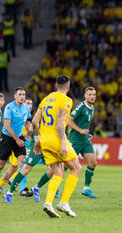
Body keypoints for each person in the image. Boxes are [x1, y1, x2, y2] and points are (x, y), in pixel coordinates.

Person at [32, 75, 81, 218]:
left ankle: (48, 203)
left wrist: (36, 140)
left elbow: (34, 121)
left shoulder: (46, 99)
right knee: (76, 168)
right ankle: (64, 203)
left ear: (55, 86)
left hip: (44, 141)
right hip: (56, 140)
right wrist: (63, 143)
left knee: (58, 173)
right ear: (68, 87)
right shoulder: (66, 100)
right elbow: (60, 122)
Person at [0, 88, 32, 193]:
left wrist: (30, 131)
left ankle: (14, 188)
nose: (22, 96)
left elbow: (28, 122)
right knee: (1, 165)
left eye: (24, 94)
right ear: (15, 96)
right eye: (20, 94)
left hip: (19, 138)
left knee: (23, 165)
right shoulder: (9, 107)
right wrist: (17, 139)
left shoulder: (26, 108)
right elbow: (7, 126)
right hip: (7, 138)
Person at [68, 86, 97, 198]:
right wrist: (80, 130)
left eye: (94, 95)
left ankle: (86, 188)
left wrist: (86, 132)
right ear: (85, 95)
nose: (92, 97)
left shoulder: (92, 107)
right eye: (90, 94)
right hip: (75, 140)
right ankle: (54, 188)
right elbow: (69, 120)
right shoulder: (80, 106)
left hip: (85, 140)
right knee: (66, 166)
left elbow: (84, 123)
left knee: (93, 162)